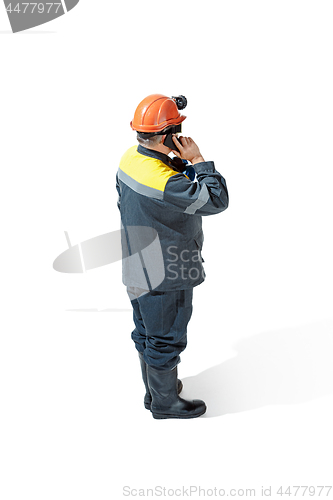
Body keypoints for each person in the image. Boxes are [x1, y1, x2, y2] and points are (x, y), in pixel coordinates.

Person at [116, 94, 229, 419]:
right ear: (168, 135)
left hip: (136, 263)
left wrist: (176, 161)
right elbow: (216, 200)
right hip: (168, 271)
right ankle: (165, 404)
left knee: (146, 331)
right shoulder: (168, 181)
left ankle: (155, 391)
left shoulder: (130, 159)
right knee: (166, 337)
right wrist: (198, 160)